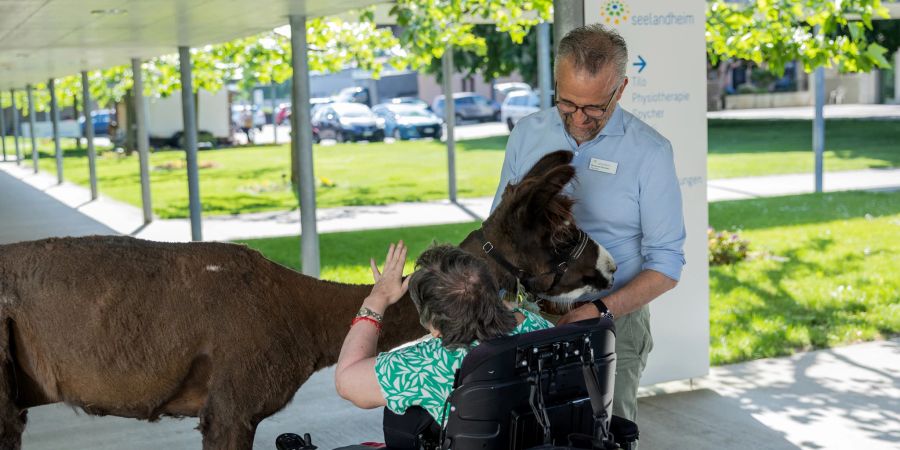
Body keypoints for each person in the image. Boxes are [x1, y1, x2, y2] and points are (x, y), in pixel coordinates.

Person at [491, 24, 686, 429]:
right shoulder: (526, 134)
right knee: (527, 433)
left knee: (601, 435)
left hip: (612, 321)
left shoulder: (650, 152)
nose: (579, 119)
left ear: (621, 88)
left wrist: (597, 311)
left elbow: (666, 265)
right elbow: (500, 230)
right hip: (531, 317)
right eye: (567, 104)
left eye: (595, 108)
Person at [334, 242, 553, 425]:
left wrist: (376, 299)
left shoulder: (428, 364)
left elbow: (346, 380)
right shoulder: (536, 327)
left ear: (435, 326)